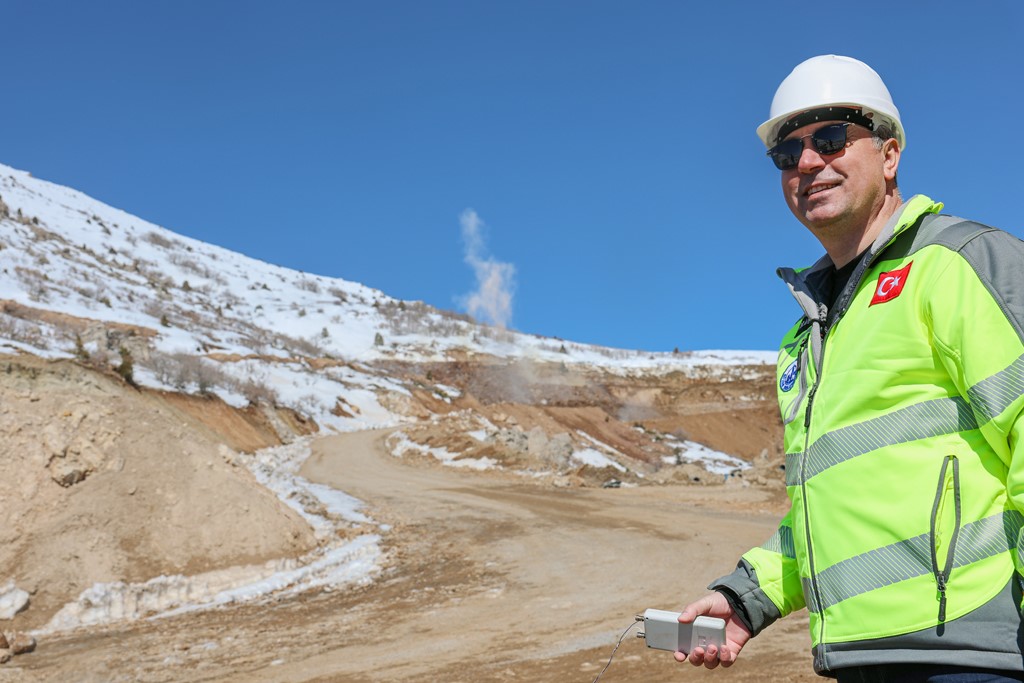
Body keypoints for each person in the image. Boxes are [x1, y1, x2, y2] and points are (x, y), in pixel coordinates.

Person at [678, 54, 1024, 682]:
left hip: (974, 657)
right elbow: (830, 506)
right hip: (861, 660)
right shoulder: (807, 335)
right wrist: (744, 600)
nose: (808, 163)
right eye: (788, 153)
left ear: (889, 155)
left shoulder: (956, 263)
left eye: (831, 138)